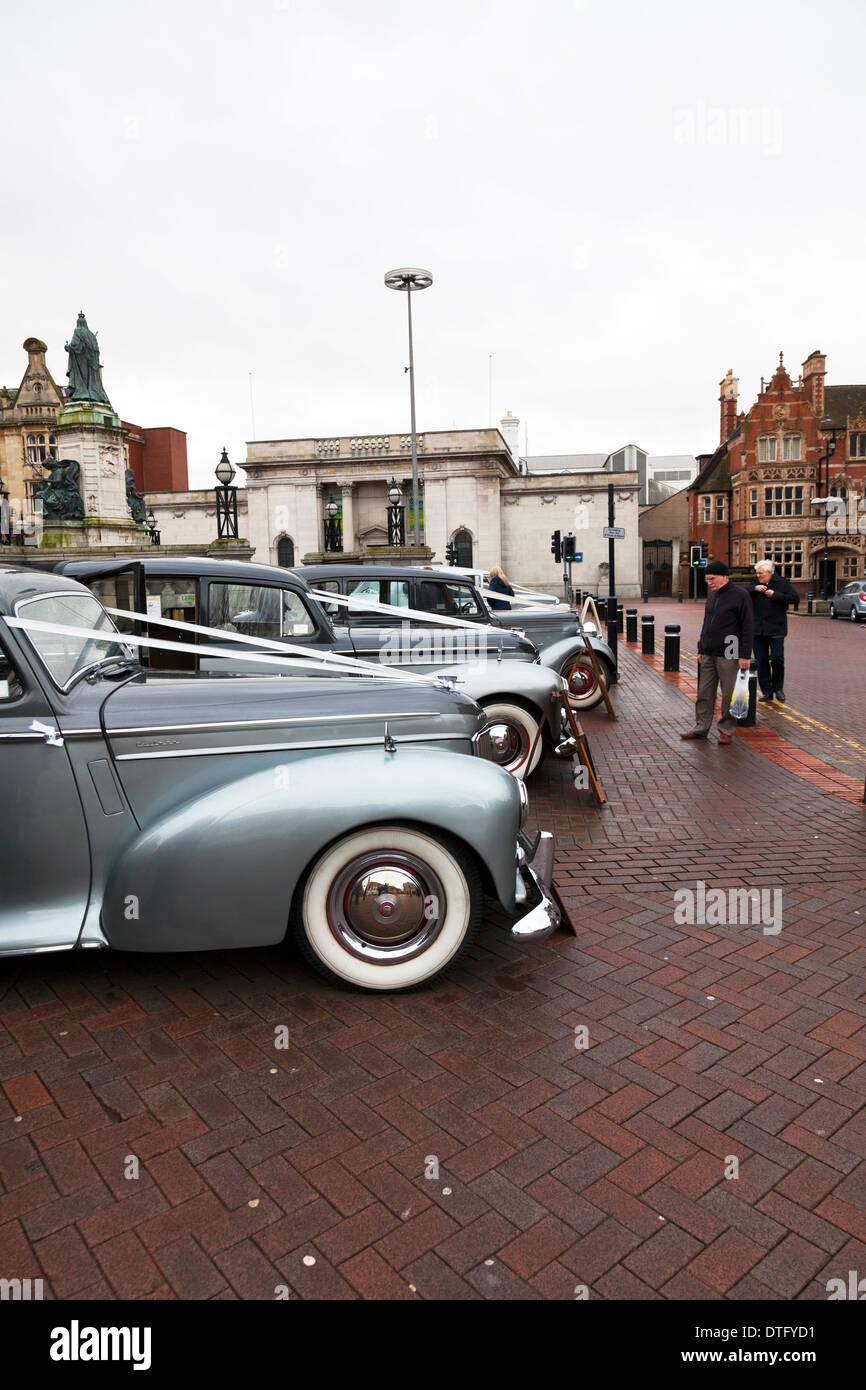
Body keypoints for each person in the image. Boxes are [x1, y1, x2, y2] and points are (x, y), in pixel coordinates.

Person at [681, 560, 753, 746]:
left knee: (728, 693)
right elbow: (707, 624)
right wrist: (701, 648)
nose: (709, 583)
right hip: (709, 652)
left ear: (724, 576)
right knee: (704, 692)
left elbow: (748, 626)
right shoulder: (713, 597)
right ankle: (701, 728)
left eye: (711, 579)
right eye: (706, 580)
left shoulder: (740, 595)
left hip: (730, 650)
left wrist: (744, 655)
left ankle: (726, 730)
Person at [748, 560, 797, 704]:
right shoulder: (754, 584)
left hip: (777, 628)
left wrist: (775, 594)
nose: (758, 576)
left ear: (770, 573)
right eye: (757, 573)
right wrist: (754, 589)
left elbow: (794, 598)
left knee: (776, 659)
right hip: (758, 630)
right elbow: (744, 593)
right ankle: (767, 692)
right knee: (761, 661)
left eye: (761, 573)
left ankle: (778, 689)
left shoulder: (782, 583)